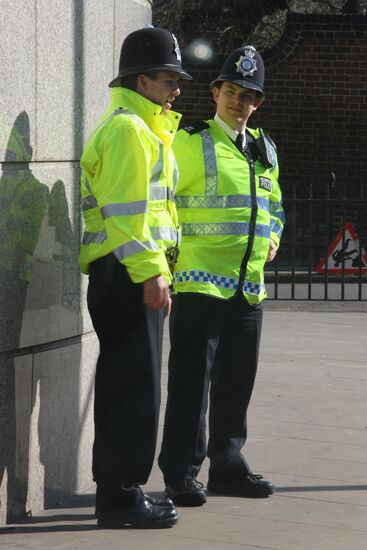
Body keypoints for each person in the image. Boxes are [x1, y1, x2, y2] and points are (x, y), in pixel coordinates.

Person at [158, 45, 284, 506]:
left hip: (248, 287)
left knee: (237, 380)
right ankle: (180, 473)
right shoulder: (191, 141)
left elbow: (275, 204)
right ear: (215, 93)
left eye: (248, 95)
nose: (239, 101)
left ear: (258, 103)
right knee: (191, 382)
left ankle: (227, 465)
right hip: (199, 281)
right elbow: (162, 195)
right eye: (231, 91)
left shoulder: (266, 148)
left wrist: (276, 235)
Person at [79, 26, 191, 528]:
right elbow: (127, 214)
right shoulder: (129, 131)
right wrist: (151, 272)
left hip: (125, 273)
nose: (176, 90)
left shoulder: (140, 129)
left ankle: (120, 492)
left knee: (131, 384)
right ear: (143, 80)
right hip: (127, 274)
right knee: (134, 387)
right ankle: (121, 497)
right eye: (169, 79)